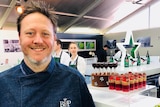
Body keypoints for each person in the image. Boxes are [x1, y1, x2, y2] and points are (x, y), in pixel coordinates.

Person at [0, 1, 95, 107]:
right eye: (30, 33)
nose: (38, 40)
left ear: (54, 39)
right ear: (20, 38)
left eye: (45, 33)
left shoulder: (75, 80)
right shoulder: (2, 83)